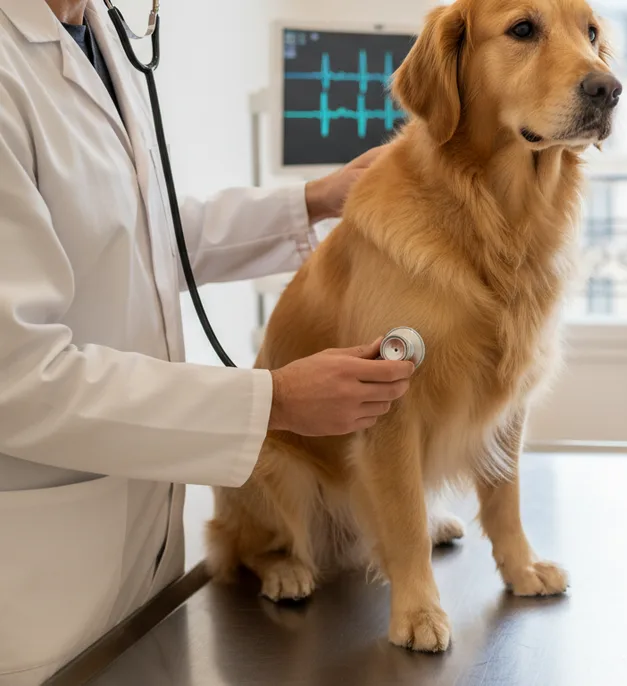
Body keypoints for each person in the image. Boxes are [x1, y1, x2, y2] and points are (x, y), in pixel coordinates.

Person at [0, 1, 416, 682]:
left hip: (144, 553)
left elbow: (139, 229)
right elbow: (16, 377)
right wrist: (272, 401)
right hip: (43, 581)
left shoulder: (96, 31)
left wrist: (313, 199)